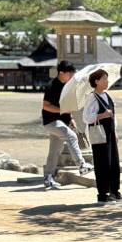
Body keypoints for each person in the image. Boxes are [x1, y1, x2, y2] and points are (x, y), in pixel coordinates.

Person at [42, 60, 94, 190]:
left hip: (61, 122)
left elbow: (66, 105)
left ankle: (48, 178)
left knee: (54, 152)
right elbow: (45, 106)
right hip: (51, 122)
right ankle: (81, 165)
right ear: (61, 73)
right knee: (71, 136)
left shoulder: (67, 86)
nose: (71, 76)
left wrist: (70, 118)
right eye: (69, 73)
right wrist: (61, 111)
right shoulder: (52, 85)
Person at [83, 69, 122, 204]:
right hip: (99, 135)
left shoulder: (108, 95)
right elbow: (86, 118)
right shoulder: (91, 97)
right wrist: (102, 115)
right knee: (102, 163)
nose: (107, 81)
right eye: (104, 79)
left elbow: (113, 116)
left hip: (110, 133)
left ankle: (114, 190)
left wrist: (115, 131)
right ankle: (103, 193)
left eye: (107, 78)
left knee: (114, 162)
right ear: (96, 81)